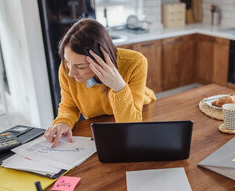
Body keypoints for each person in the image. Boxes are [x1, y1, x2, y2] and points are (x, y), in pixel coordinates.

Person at [44, 18, 156, 147]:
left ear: (101, 60)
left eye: (80, 67)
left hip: (142, 112)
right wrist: (63, 121)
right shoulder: (67, 68)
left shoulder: (135, 62)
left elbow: (131, 126)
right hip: (100, 123)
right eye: (68, 62)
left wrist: (118, 86)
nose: (71, 73)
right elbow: (69, 107)